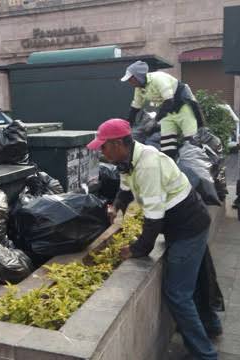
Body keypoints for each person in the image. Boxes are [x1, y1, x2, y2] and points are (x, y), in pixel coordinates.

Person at [87, 118, 220, 360]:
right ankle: (211, 326)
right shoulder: (129, 160)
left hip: (188, 228)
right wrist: (116, 206)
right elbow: (126, 189)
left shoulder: (147, 164)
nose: (101, 152)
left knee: (178, 294)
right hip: (186, 223)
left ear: (117, 144)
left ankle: (205, 355)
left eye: (103, 147)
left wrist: (137, 249)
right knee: (197, 278)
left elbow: (154, 217)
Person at [122, 61, 205, 159]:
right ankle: (174, 168)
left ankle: (199, 165)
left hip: (183, 107)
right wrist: (126, 126)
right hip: (167, 112)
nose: (129, 82)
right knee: (167, 147)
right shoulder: (139, 88)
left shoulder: (158, 78)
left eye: (131, 79)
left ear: (138, 76)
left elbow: (169, 101)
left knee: (192, 141)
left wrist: (155, 121)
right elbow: (135, 107)